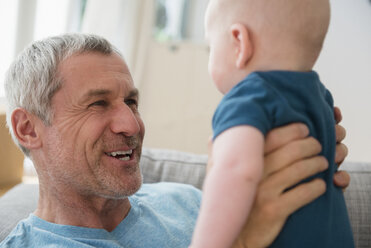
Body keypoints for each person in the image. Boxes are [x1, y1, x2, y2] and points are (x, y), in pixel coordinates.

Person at [0, 34, 349, 248]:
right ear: (29, 129)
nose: (132, 124)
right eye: (98, 103)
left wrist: (304, 179)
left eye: (132, 102)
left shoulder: (191, 203)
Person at [191, 0, 354, 247]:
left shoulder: (248, 96)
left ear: (239, 43)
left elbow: (236, 170)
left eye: (210, 46)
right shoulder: (322, 97)